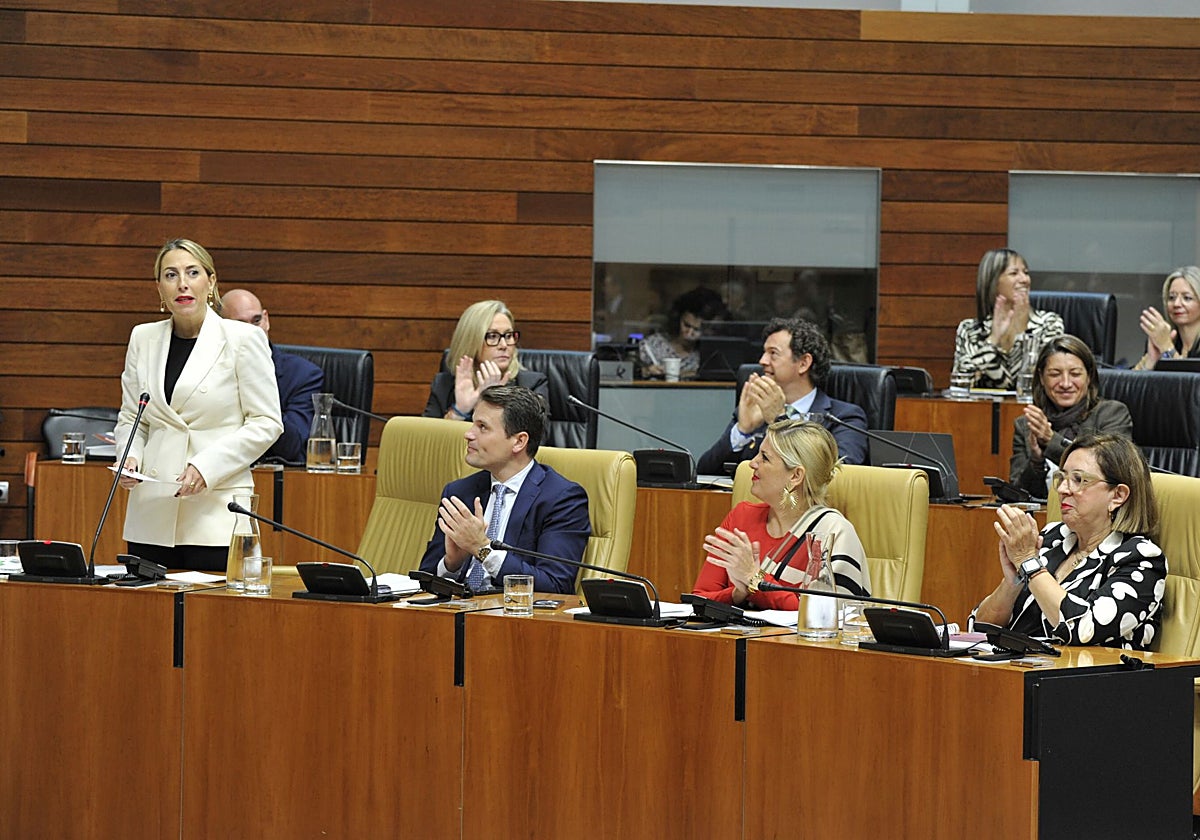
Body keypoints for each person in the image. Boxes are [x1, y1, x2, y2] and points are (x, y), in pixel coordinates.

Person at [115, 239, 283, 571]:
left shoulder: (243, 340)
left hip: (216, 510)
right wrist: (129, 455)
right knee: (148, 617)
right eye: (170, 275)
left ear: (211, 282)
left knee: (215, 618)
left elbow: (266, 422)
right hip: (152, 509)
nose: (182, 283)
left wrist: (207, 467)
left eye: (193, 272)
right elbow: (133, 416)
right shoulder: (143, 338)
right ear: (160, 288)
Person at [971, 433, 1165, 650]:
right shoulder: (1053, 537)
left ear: (1118, 495)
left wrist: (1029, 564)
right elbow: (978, 628)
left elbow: (1081, 629)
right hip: (1023, 671)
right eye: (1062, 478)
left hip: (1087, 679)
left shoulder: (1141, 559)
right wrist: (1012, 582)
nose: (1063, 489)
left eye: (1079, 479)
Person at [417, 385, 590, 595]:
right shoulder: (459, 492)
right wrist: (451, 564)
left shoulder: (561, 499)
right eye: (473, 423)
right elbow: (424, 579)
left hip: (514, 620)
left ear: (519, 441)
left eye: (482, 427)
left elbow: (555, 585)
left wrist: (483, 550)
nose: (468, 434)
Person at [693, 420, 870, 610]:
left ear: (795, 476)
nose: (752, 463)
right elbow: (700, 600)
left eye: (765, 458)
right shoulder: (741, 518)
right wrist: (738, 593)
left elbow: (822, 614)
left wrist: (754, 578)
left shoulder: (833, 532)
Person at [696, 317, 868, 475]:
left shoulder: (844, 418)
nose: (762, 361)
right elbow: (704, 471)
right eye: (764, 352)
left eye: (773, 353)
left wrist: (779, 419)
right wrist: (742, 432)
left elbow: (837, 477)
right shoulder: (757, 409)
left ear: (803, 363)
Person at [1009, 335, 1132, 499]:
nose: (1065, 383)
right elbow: (1017, 495)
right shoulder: (1027, 424)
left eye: (1075, 374)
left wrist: (1051, 440)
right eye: (1055, 374)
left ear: (1088, 377)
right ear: (1041, 377)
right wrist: (1036, 461)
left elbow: (1109, 473)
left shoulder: (1112, 414)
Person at [221, 288, 324, 464]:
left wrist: (257, 383)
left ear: (266, 320)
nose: (253, 332)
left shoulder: (304, 375)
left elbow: (292, 447)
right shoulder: (209, 372)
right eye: (241, 325)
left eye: (257, 321)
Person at [952, 248, 1064, 389]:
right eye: (1014, 273)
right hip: (980, 409)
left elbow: (1034, 383)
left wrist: (1021, 332)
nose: (1024, 280)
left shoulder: (1049, 324)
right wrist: (993, 340)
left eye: (1026, 273)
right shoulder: (970, 329)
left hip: (1030, 410)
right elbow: (961, 383)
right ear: (993, 282)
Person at [423, 300, 549, 421]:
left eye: (509, 335)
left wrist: (493, 402)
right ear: (471, 342)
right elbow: (426, 441)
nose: (504, 345)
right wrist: (459, 411)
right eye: (492, 336)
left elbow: (532, 441)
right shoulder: (443, 385)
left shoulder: (532, 386)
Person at [638, 287, 727, 379]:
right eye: (686, 325)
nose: (689, 333)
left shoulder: (709, 355)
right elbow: (630, 373)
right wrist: (646, 371)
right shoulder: (651, 346)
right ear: (678, 318)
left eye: (697, 329)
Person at [1135, 265, 1200, 370]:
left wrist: (1167, 348)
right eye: (1171, 298)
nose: (1176, 304)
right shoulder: (1164, 337)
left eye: (1187, 298)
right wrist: (1150, 361)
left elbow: (1189, 383)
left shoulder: (1164, 341)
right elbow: (1129, 384)